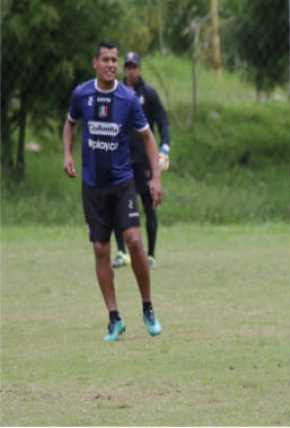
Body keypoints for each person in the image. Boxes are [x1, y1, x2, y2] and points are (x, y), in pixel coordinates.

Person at [63, 41, 164, 342]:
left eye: (114, 60)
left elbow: (148, 138)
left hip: (122, 183)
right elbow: (69, 125)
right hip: (93, 186)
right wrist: (68, 155)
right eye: (105, 59)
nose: (110, 64)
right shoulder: (82, 94)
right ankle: (114, 318)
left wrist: (155, 178)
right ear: (95, 62)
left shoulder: (128, 98)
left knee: (134, 241)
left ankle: (147, 307)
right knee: (100, 249)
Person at [112, 51, 170, 270]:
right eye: (127, 66)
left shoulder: (149, 94)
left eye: (134, 66)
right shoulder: (116, 92)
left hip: (144, 161)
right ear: (124, 69)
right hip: (121, 159)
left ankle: (151, 255)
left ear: (140, 69)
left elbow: (163, 122)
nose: (131, 70)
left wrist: (164, 147)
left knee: (149, 205)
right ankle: (121, 251)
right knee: (118, 205)